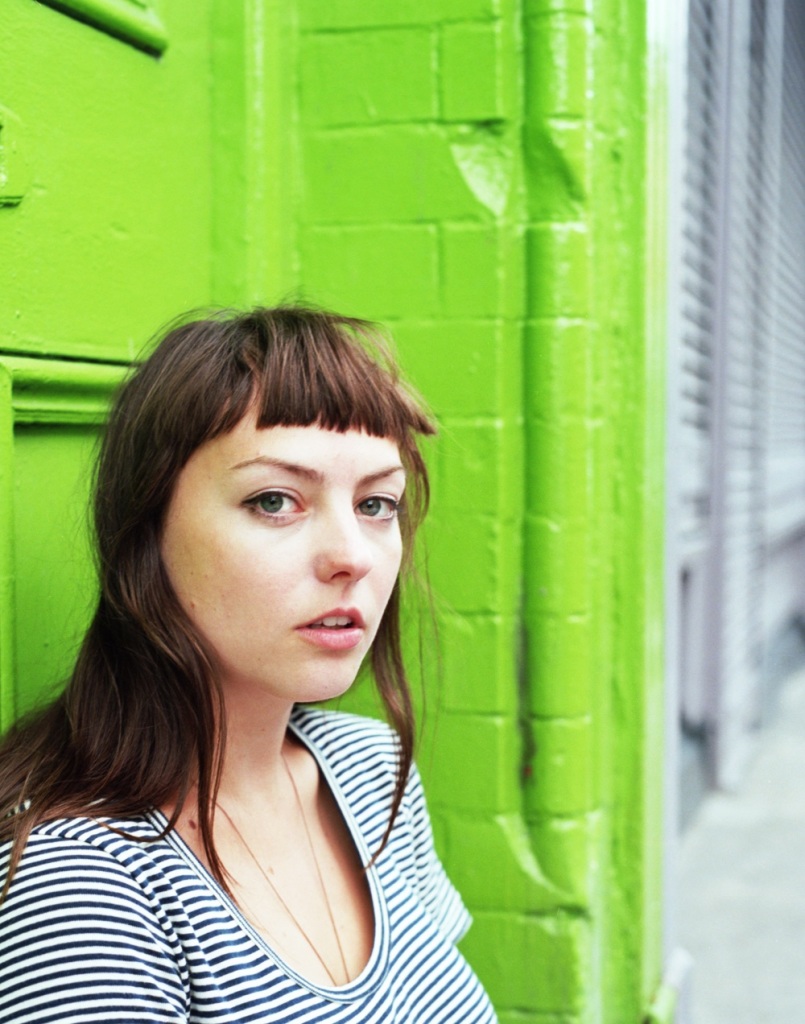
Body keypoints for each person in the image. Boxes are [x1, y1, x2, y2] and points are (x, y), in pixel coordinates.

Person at [0, 306, 497, 1023]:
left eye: (377, 504)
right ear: (147, 531)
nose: (352, 556)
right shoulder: (85, 884)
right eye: (274, 500)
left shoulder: (370, 770)